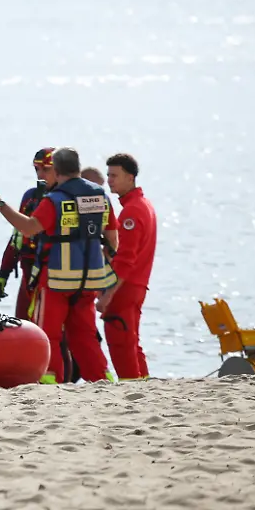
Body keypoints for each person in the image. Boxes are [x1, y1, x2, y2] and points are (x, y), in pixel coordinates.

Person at [0, 147, 117, 384]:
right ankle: (104, 382)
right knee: (86, 337)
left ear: (58, 170)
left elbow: (28, 228)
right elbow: (113, 240)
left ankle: (49, 383)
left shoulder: (54, 200)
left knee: (46, 336)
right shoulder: (100, 197)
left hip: (56, 281)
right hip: (89, 282)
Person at [101, 153, 156, 381]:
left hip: (126, 287)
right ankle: (143, 384)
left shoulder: (132, 211)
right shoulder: (144, 205)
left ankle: (131, 387)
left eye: (115, 175)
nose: (109, 180)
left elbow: (126, 260)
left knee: (121, 343)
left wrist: (108, 294)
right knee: (131, 341)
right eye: (108, 175)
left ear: (130, 177)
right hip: (137, 285)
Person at [0, 148, 56, 320]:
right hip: (28, 273)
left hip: (53, 276)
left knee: (53, 330)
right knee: (22, 324)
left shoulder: (64, 199)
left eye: (46, 169)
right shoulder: (31, 197)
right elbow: (18, 236)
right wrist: (3, 273)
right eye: (37, 169)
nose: (40, 175)